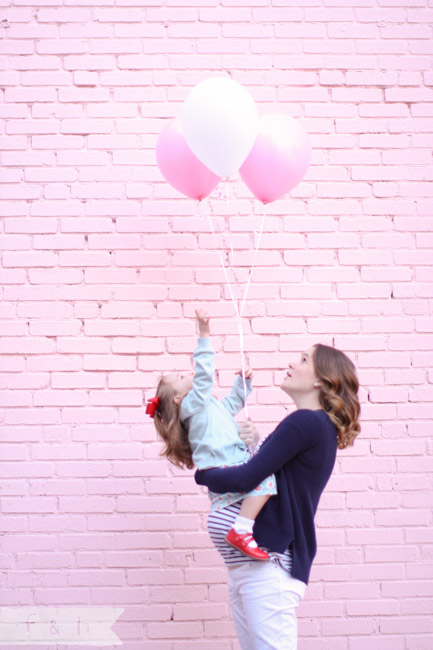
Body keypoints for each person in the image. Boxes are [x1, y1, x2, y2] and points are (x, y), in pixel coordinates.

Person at [195, 343, 361, 650]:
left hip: (268, 569)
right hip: (251, 568)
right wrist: (256, 444)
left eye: (302, 359)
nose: (291, 363)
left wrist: (202, 475)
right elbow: (274, 474)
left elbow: (247, 478)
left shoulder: (307, 421)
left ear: (320, 381)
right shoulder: (311, 425)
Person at [146, 309, 277, 561]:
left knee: (264, 481)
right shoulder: (190, 405)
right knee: (266, 479)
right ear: (177, 398)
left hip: (226, 466)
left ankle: (243, 527)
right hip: (225, 464)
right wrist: (204, 334)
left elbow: (232, 405)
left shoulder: (207, 406)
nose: (190, 374)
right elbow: (205, 378)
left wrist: (243, 382)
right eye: (182, 377)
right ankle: (242, 530)